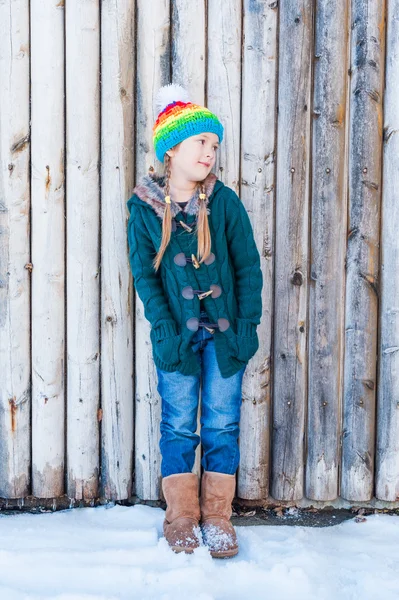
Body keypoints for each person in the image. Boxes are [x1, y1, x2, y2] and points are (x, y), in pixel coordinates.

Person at [126, 84, 263, 558]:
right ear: (171, 150)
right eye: (200, 142)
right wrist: (163, 327)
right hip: (178, 343)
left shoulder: (223, 203)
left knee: (222, 424)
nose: (210, 151)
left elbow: (247, 266)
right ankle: (181, 516)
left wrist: (248, 324)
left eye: (215, 145)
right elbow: (145, 276)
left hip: (225, 340)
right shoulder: (144, 211)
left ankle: (218, 516)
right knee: (180, 424)